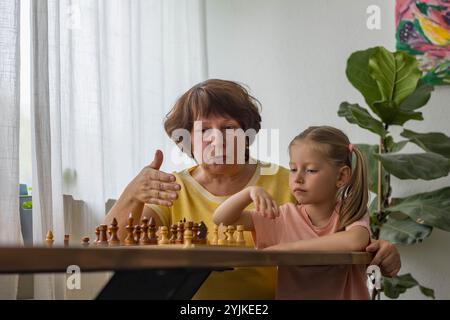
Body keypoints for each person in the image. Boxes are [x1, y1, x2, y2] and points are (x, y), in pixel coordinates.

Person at [104, 79, 401, 299]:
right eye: (203, 129)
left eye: (228, 128)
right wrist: (132, 193)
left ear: (247, 135)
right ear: (187, 140)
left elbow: (344, 236)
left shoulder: (293, 182)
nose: (216, 139)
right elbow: (111, 248)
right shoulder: (169, 187)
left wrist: (383, 250)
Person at [214, 126, 377, 299]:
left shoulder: (349, 211)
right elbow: (222, 220)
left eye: (311, 170)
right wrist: (248, 193)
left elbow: (354, 240)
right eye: (293, 169)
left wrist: (286, 250)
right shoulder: (283, 217)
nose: (297, 178)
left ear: (341, 177)